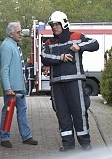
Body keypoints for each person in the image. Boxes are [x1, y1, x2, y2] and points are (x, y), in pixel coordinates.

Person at [41, 11, 99, 151]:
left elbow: (95, 44)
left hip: (75, 82)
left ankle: (85, 143)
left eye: (56, 24)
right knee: (62, 113)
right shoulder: (49, 42)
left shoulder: (77, 37)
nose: (54, 27)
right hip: (57, 84)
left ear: (64, 23)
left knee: (79, 112)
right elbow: (44, 57)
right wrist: (60, 58)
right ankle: (67, 143)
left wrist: (80, 47)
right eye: (52, 25)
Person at [0, 21, 38, 148]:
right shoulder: (6, 46)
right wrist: (7, 87)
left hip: (19, 87)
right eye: (18, 32)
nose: (21, 34)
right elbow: (5, 68)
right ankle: (4, 137)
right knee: (8, 111)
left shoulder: (14, 45)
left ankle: (26, 136)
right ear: (11, 34)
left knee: (22, 111)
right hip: (12, 88)